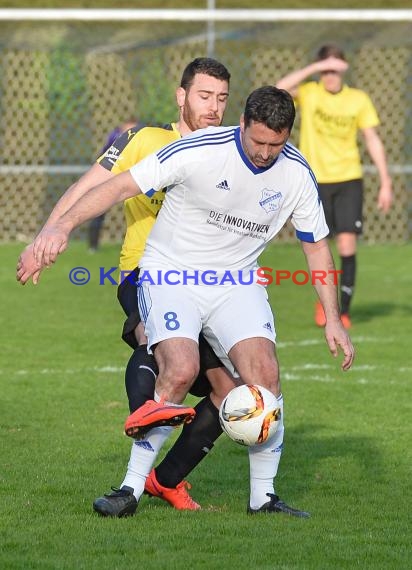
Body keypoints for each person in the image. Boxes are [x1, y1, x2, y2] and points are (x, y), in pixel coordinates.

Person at [27, 85, 355, 517]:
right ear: (242, 124)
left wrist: (333, 318)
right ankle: (129, 489)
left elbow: (316, 247)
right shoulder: (198, 150)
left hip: (236, 281)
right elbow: (118, 186)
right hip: (171, 273)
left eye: (276, 144)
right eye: (258, 141)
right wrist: (60, 226)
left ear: (288, 136)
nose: (265, 152)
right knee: (180, 367)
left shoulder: (295, 172)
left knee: (266, 378)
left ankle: (263, 498)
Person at [17, 58, 239, 516]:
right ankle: (144, 415)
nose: (213, 107)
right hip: (145, 272)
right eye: (204, 96)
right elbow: (87, 186)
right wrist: (49, 232)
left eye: (221, 98)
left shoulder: (227, 152)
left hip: (205, 283)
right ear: (181, 96)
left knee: (229, 393)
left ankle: (167, 479)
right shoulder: (144, 140)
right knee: (150, 337)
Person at [276, 44, 393, 329]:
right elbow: (278, 89)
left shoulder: (358, 99)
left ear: (344, 70)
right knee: (320, 246)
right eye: (325, 70)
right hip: (315, 181)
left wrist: (385, 181)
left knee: (347, 243)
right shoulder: (310, 92)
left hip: (348, 179)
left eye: (334, 70)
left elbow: (371, 138)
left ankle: (343, 311)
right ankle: (325, 303)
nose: (330, 76)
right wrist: (315, 68)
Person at [88, 119, 140, 252]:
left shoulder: (141, 142)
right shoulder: (115, 140)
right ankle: (93, 246)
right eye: (128, 130)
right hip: (110, 178)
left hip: (131, 178)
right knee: (98, 209)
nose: (131, 133)